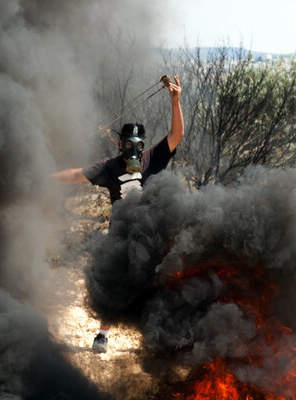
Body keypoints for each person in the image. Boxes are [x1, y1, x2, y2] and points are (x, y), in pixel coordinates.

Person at [51, 76, 184, 352]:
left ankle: (160, 337)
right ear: (120, 144)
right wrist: (48, 176)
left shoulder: (153, 158)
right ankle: (103, 335)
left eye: (137, 145)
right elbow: (77, 174)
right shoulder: (109, 167)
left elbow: (176, 136)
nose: (132, 150)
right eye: (127, 145)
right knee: (113, 278)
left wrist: (175, 102)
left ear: (142, 144)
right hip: (121, 233)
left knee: (159, 279)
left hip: (151, 231)